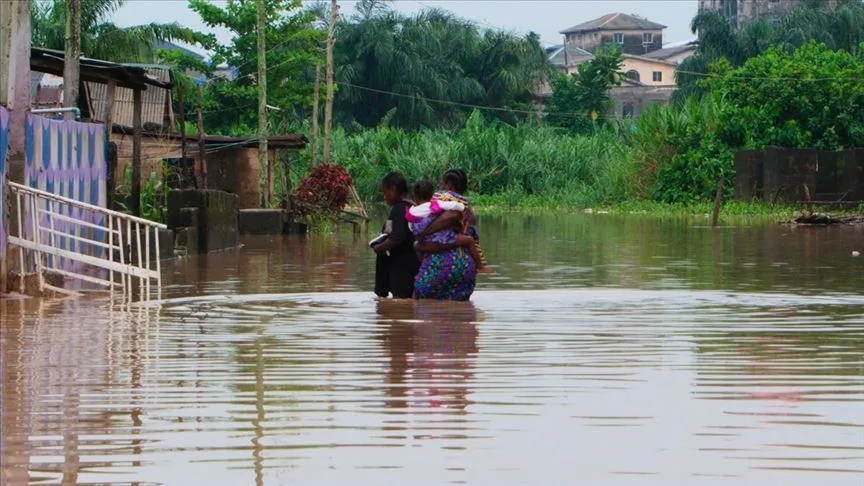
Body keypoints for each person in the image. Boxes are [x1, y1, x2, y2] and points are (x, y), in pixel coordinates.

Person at [406, 180, 483, 268]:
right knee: (469, 240)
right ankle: (481, 266)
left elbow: (411, 226)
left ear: (415, 197)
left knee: (416, 246)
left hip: (425, 242)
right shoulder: (436, 204)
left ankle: (423, 263)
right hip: (442, 238)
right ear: (432, 195)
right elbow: (454, 205)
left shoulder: (412, 211)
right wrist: (463, 208)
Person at [372, 172, 420, 299]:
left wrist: (379, 248)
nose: (384, 196)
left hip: (402, 266)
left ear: (393, 190)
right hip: (412, 263)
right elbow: (389, 232)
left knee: (401, 301)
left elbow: (397, 237)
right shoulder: (410, 206)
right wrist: (381, 238)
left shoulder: (399, 209)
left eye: (385, 192)